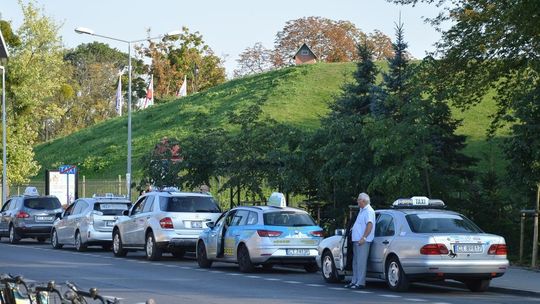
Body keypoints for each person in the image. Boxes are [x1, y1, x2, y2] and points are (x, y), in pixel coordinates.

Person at [345, 192, 375, 289]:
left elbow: (369, 225)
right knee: (356, 262)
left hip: (363, 241)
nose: (357, 201)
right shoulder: (362, 210)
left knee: (361, 262)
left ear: (364, 200)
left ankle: (360, 282)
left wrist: (364, 237)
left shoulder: (369, 211)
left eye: (359, 199)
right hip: (357, 240)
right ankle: (354, 281)